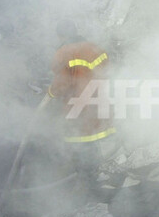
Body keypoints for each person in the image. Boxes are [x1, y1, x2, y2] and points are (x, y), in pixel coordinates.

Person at [46, 19, 121, 201]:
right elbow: (110, 71)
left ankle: (88, 185)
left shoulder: (63, 53)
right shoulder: (94, 48)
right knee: (94, 141)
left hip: (79, 108)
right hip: (99, 103)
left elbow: (62, 83)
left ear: (61, 36)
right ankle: (98, 173)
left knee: (80, 144)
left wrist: (50, 92)